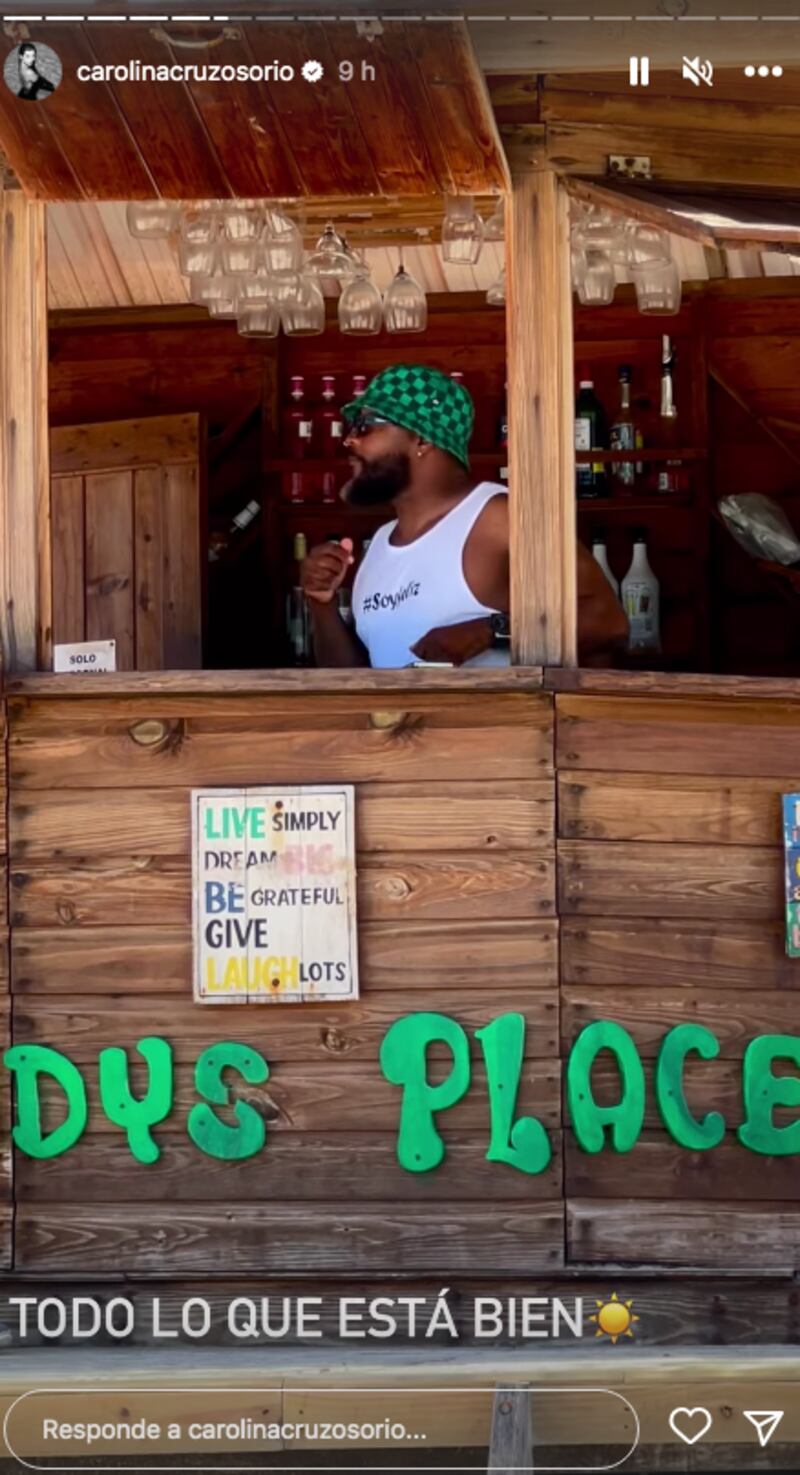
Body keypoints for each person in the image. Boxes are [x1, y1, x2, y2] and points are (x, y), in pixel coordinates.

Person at [300, 364, 627, 668]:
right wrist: (321, 604)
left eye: (365, 425)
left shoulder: (499, 516)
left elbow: (608, 621)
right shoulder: (380, 545)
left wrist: (490, 631)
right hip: (399, 732)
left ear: (422, 437)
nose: (349, 438)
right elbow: (353, 684)